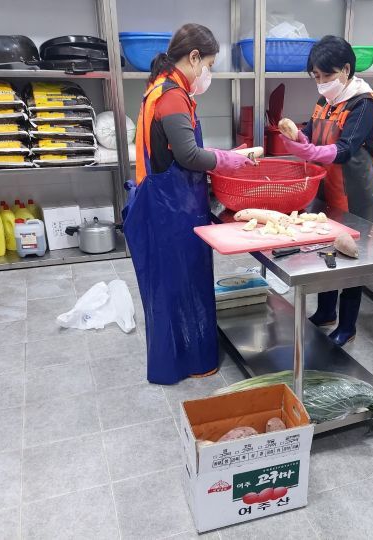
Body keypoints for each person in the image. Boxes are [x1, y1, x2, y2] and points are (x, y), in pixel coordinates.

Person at [124, 24, 253, 384]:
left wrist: (226, 158)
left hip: (165, 203)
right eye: (208, 65)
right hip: (171, 209)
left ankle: (181, 357)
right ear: (194, 57)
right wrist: (230, 160)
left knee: (173, 285)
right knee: (182, 284)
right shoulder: (172, 96)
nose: (207, 73)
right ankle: (190, 361)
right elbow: (189, 155)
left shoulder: (159, 88)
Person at [280, 35, 373, 346]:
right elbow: (311, 132)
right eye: (317, 77)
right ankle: (326, 312)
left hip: (355, 194)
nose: (322, 83)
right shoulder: (326, 101)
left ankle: (348, 326)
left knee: (352, 260)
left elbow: (347, 148)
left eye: (328, 75)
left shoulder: (363, 103)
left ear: (346, 70)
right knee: (325, 251)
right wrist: (298, 137)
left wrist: (310, 151)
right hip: (327, 190)